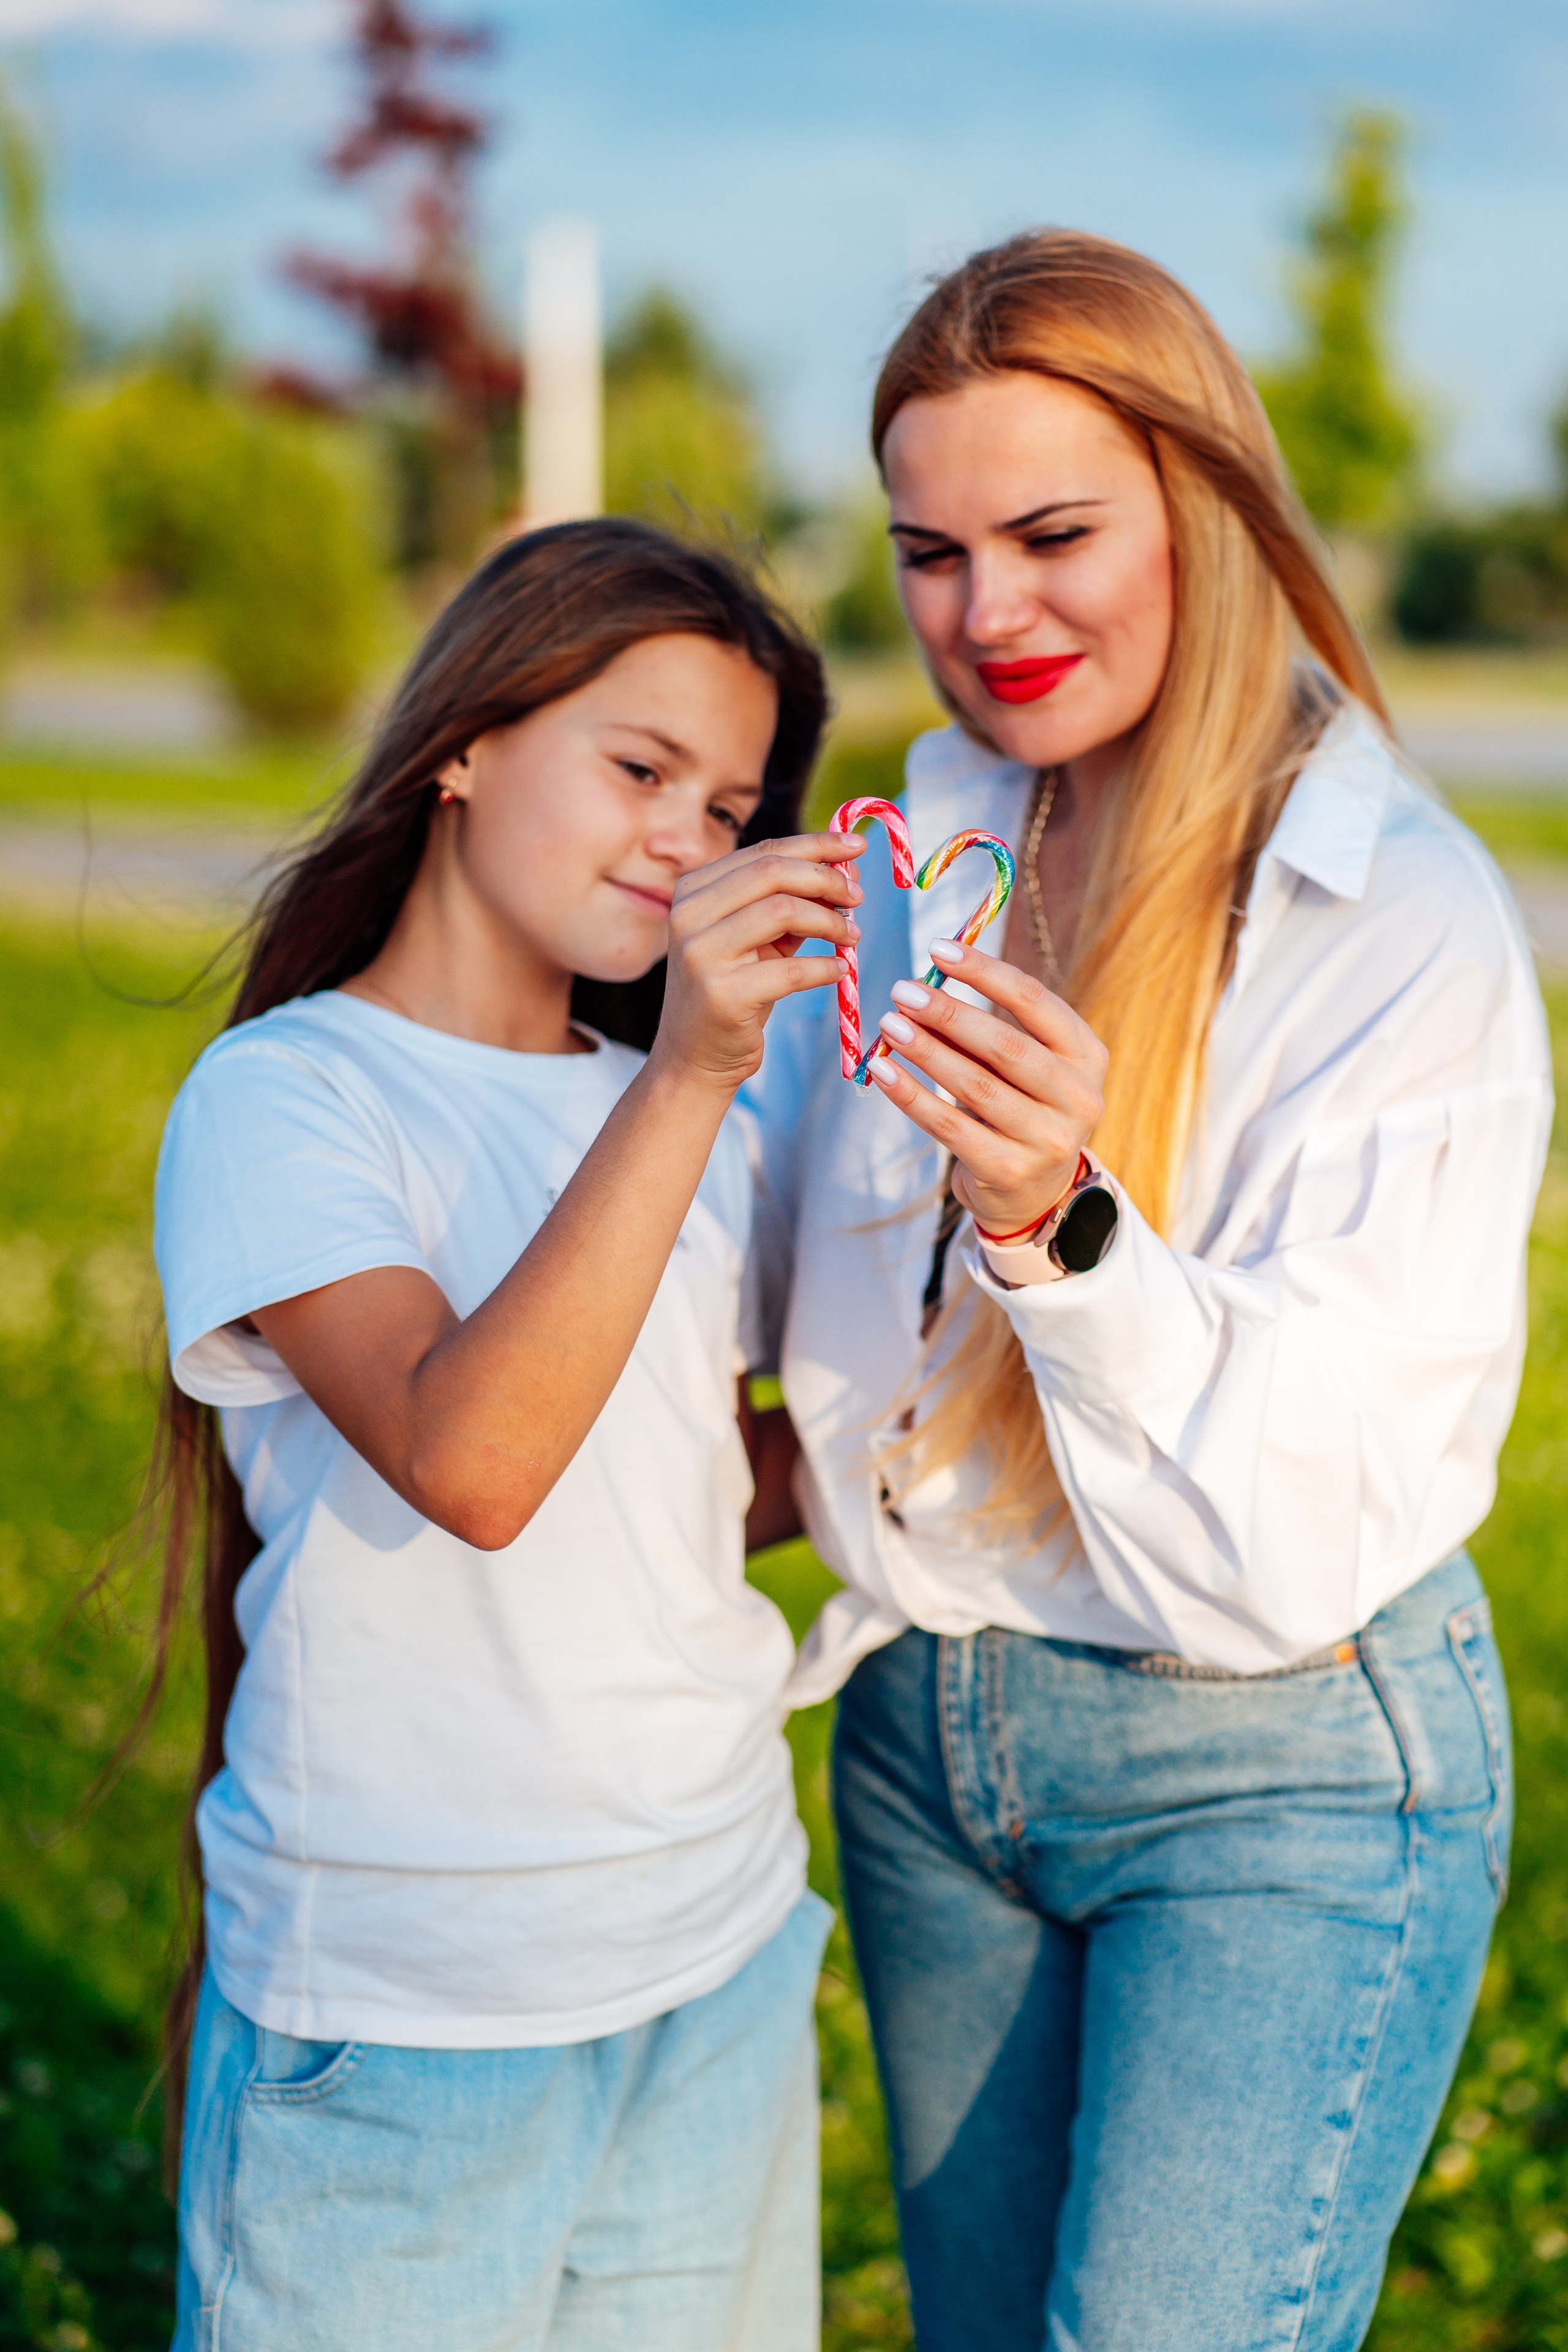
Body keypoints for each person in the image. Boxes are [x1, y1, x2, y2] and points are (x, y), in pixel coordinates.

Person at [744, 233, 1548, 2351]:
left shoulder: (1398, 921)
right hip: (931, 1731)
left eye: (1052, 534)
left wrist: (1056, 1224)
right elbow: (783, 1300)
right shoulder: (922, 845)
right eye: (929, 550)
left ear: (1202, 505)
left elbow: (1292, 1530)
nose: (985, 616)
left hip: (1272, 1751)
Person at [148, 518, 869, 2352]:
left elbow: (682, 1481)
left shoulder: (676, 1107)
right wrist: (703, 1072)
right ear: (464, 742)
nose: (687, 844)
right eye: (640, 768)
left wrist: (953, 1379)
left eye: (730, 809)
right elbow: (474, 1462)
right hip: (414, 2010)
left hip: (709, 1947)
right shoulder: (293, 1096)